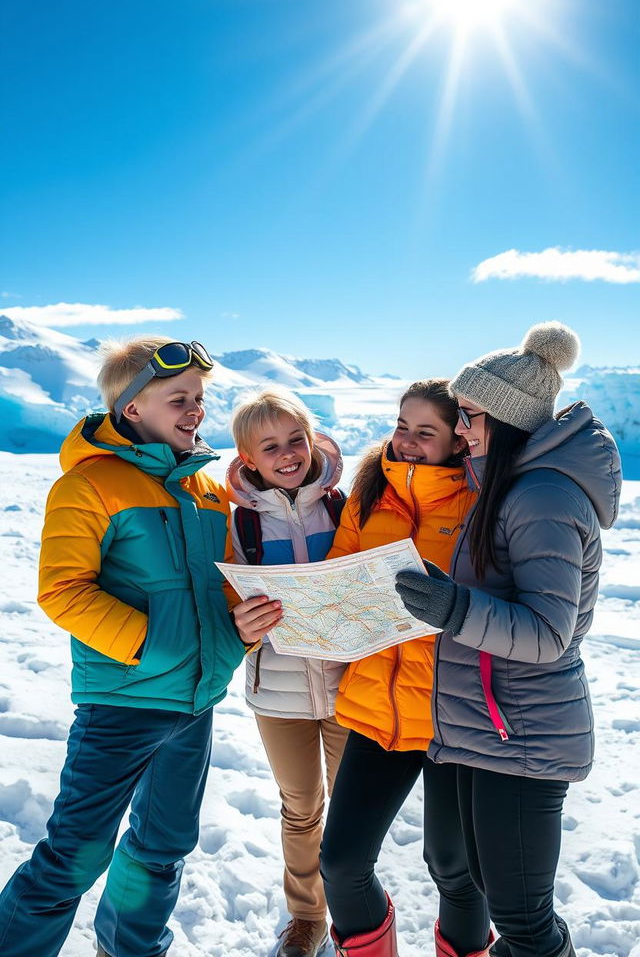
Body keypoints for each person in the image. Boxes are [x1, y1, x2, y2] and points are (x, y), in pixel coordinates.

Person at [0, 337, 248, 957]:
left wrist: (236, 626)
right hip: (122, 702)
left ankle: (132, 949)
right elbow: (63, 591)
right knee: (73, 857)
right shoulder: (89, 486)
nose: (195, 410)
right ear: (133, 408)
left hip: (193, 704)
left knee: (163, 849)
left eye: (199, 398)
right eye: (179, 398)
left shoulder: (206, 491)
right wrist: (157, 647)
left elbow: (216, 589)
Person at [395, 323, 622, 957]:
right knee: (496, 899)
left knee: (523, 920)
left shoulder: (543, 496)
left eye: (469, 416)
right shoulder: (506, 485)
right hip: (489, 726)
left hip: (524, 734)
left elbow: (549, 633)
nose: (460, 428)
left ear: (505, 418)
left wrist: (454, 606)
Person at [319, 380, 493, 957]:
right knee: (341, 863)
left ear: (459, 441)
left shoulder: (482, 500)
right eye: (402, 427)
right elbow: (338, 578)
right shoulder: (371, 496)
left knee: (455, 868)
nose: (409, 442)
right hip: (377, 708)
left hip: (453, 715)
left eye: (426, 432)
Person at [227, 388, 349, 957]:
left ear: (311, 438)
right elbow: (228, 604)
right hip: (278, 690)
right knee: (301, 808)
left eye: (295, 439)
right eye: (269, 446)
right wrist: (243, 624)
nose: (287, 454)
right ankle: (307, 919)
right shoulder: (239, 525)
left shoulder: (346, 506)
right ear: (248, 459)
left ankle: (356, 914)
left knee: (350, 812)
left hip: (351, 685)